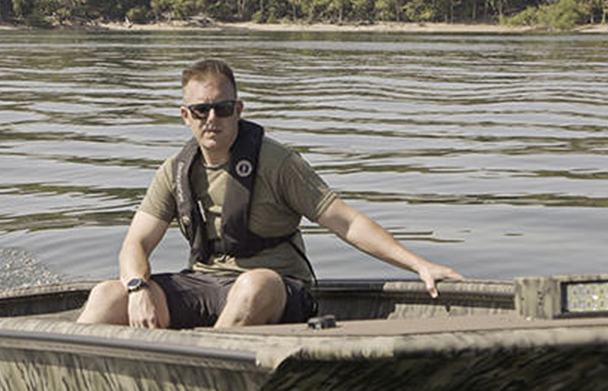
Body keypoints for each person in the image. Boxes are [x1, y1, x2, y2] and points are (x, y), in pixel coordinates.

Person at [77, 59, 462, 328]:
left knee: (253, 284)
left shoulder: (277, 163)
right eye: (201, 110)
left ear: (238, 110)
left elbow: (346, 222)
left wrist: (418, 265)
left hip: (279, 289)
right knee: (108, 296)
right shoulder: (175, 170)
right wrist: (137, 287)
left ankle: (209, 381)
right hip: (205, 283)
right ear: (186, 115)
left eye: (223, 108)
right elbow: (135, 245)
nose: (213, 119)